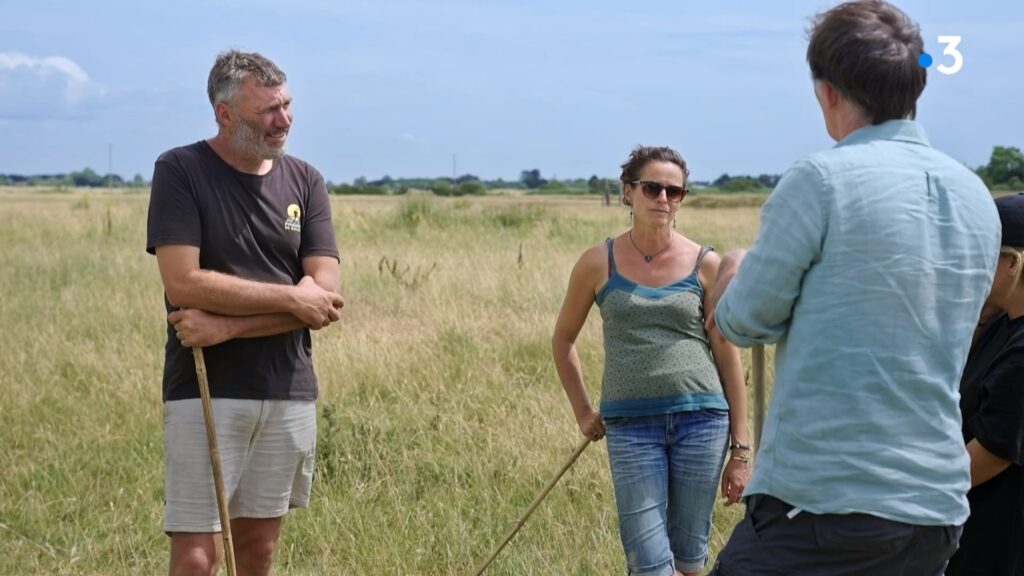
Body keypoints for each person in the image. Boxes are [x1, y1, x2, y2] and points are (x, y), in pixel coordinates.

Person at [704, 2, 1002, 574]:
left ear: (828, 92)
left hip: (823, 504)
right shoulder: (974, 197)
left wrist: (734, 269)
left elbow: (741, 322)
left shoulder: (820, 180)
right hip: (934, 508)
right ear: (914, 86)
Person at [146, 50, 344, 576]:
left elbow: (324, 297)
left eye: (286, 105)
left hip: (287, 386)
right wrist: (291, 299)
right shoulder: (180, 169)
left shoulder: (306, 179)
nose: (283, 121)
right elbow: (183, 281)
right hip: (206, 385)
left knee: (257, 550)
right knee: (197, 556)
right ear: (224, 113)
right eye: (267, 111)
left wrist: (228, 325)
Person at [552, 146, 751, 576]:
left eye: (674, 191)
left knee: (688, 559)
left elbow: (727, 354)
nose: (663, 198)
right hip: (630, 426)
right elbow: (562, 340)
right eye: (652, 187)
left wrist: (741, 449)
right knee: (648, 562)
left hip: (702, 421)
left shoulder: (705, 263)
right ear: (628, 193)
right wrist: (583, 411)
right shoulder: (596, 262)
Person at [946, 194, 1024, 576]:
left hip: (998, 542)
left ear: (1011, 263)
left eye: (981, 253)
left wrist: (913, 491)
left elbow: (993, 452)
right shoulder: (1001, 323)